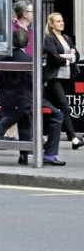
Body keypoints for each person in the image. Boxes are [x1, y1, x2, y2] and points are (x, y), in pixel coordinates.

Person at [0, 29, 62, 165]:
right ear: (26, 43)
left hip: (8, 100)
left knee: (22, 115)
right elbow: (36, 82)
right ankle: (50, 154)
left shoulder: (2, 59)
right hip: (27, 100)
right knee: (57, 115)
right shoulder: (29, 60)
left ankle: (22, 155)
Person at [41, 11, 82, 150]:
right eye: (58, 21)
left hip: (66, 76)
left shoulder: (67, 38)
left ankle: (44, 135)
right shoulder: (49, 39)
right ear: (51, 24)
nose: (61, 23)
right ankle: (74, 138)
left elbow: (77, 54)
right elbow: (54, 57)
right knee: (64, 107)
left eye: (62, 20)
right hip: (53, 77)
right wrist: (68, 56)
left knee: (51, 108)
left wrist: (68, 56)